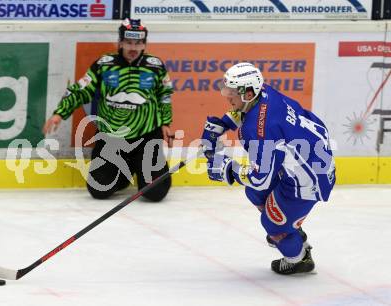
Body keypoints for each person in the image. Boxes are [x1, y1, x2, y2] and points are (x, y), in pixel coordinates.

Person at [201, 62, 336, 275]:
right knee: (254, 193)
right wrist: (224, 123)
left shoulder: (261, 129)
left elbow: (260, 178)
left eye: (233, 93)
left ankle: (298, 259)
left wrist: (227, 168)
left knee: (272, 225)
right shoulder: (263, 93)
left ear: (247, 93)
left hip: (308, 180)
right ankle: (289, 226)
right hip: (302, 163)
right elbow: (246, 112)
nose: (228, 98)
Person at [43, 18, 174, 202]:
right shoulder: (104, 64)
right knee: (99, 190)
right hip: (111, 137)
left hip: (146, 136)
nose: (133, 48)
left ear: (145, 44)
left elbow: (165, 95)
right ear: (120, 42)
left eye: (138, 43)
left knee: (156, 193)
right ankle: (124, 172)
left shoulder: (155, 66)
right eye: (128, 42)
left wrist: (166, 123)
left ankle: (143, 168)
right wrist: (59, 113)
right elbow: (80, 90)